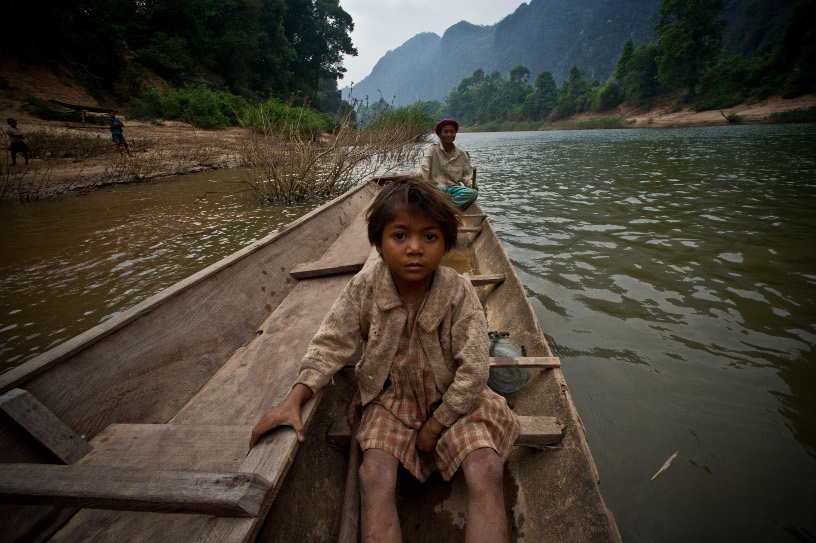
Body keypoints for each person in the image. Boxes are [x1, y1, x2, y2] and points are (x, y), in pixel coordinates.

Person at [250, 178, 519, 543]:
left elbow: (474, 371)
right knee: (373, 474)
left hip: (456, 402)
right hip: (391, 400)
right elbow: (331, 342)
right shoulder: (365, 287)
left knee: (486, 469)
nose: (414, 249)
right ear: (378, 243)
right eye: (399, 236)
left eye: (429, 237)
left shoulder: (458, 292)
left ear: (446, 243)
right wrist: (296, 397)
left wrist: (437, 424)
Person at [417, 118, 478, 210]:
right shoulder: (432, 150)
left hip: (454, 189)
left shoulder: (461, 154)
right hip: (436, 188)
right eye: (445, 132)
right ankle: (449, 207)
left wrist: (470, 183)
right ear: (440, 134)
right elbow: (424, 168)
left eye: (452, 132)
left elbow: (467, 176)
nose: (449, 134)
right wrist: (419, 179)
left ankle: (447, 208)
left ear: (455, 134)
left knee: (473, 193)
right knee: (441, 188)